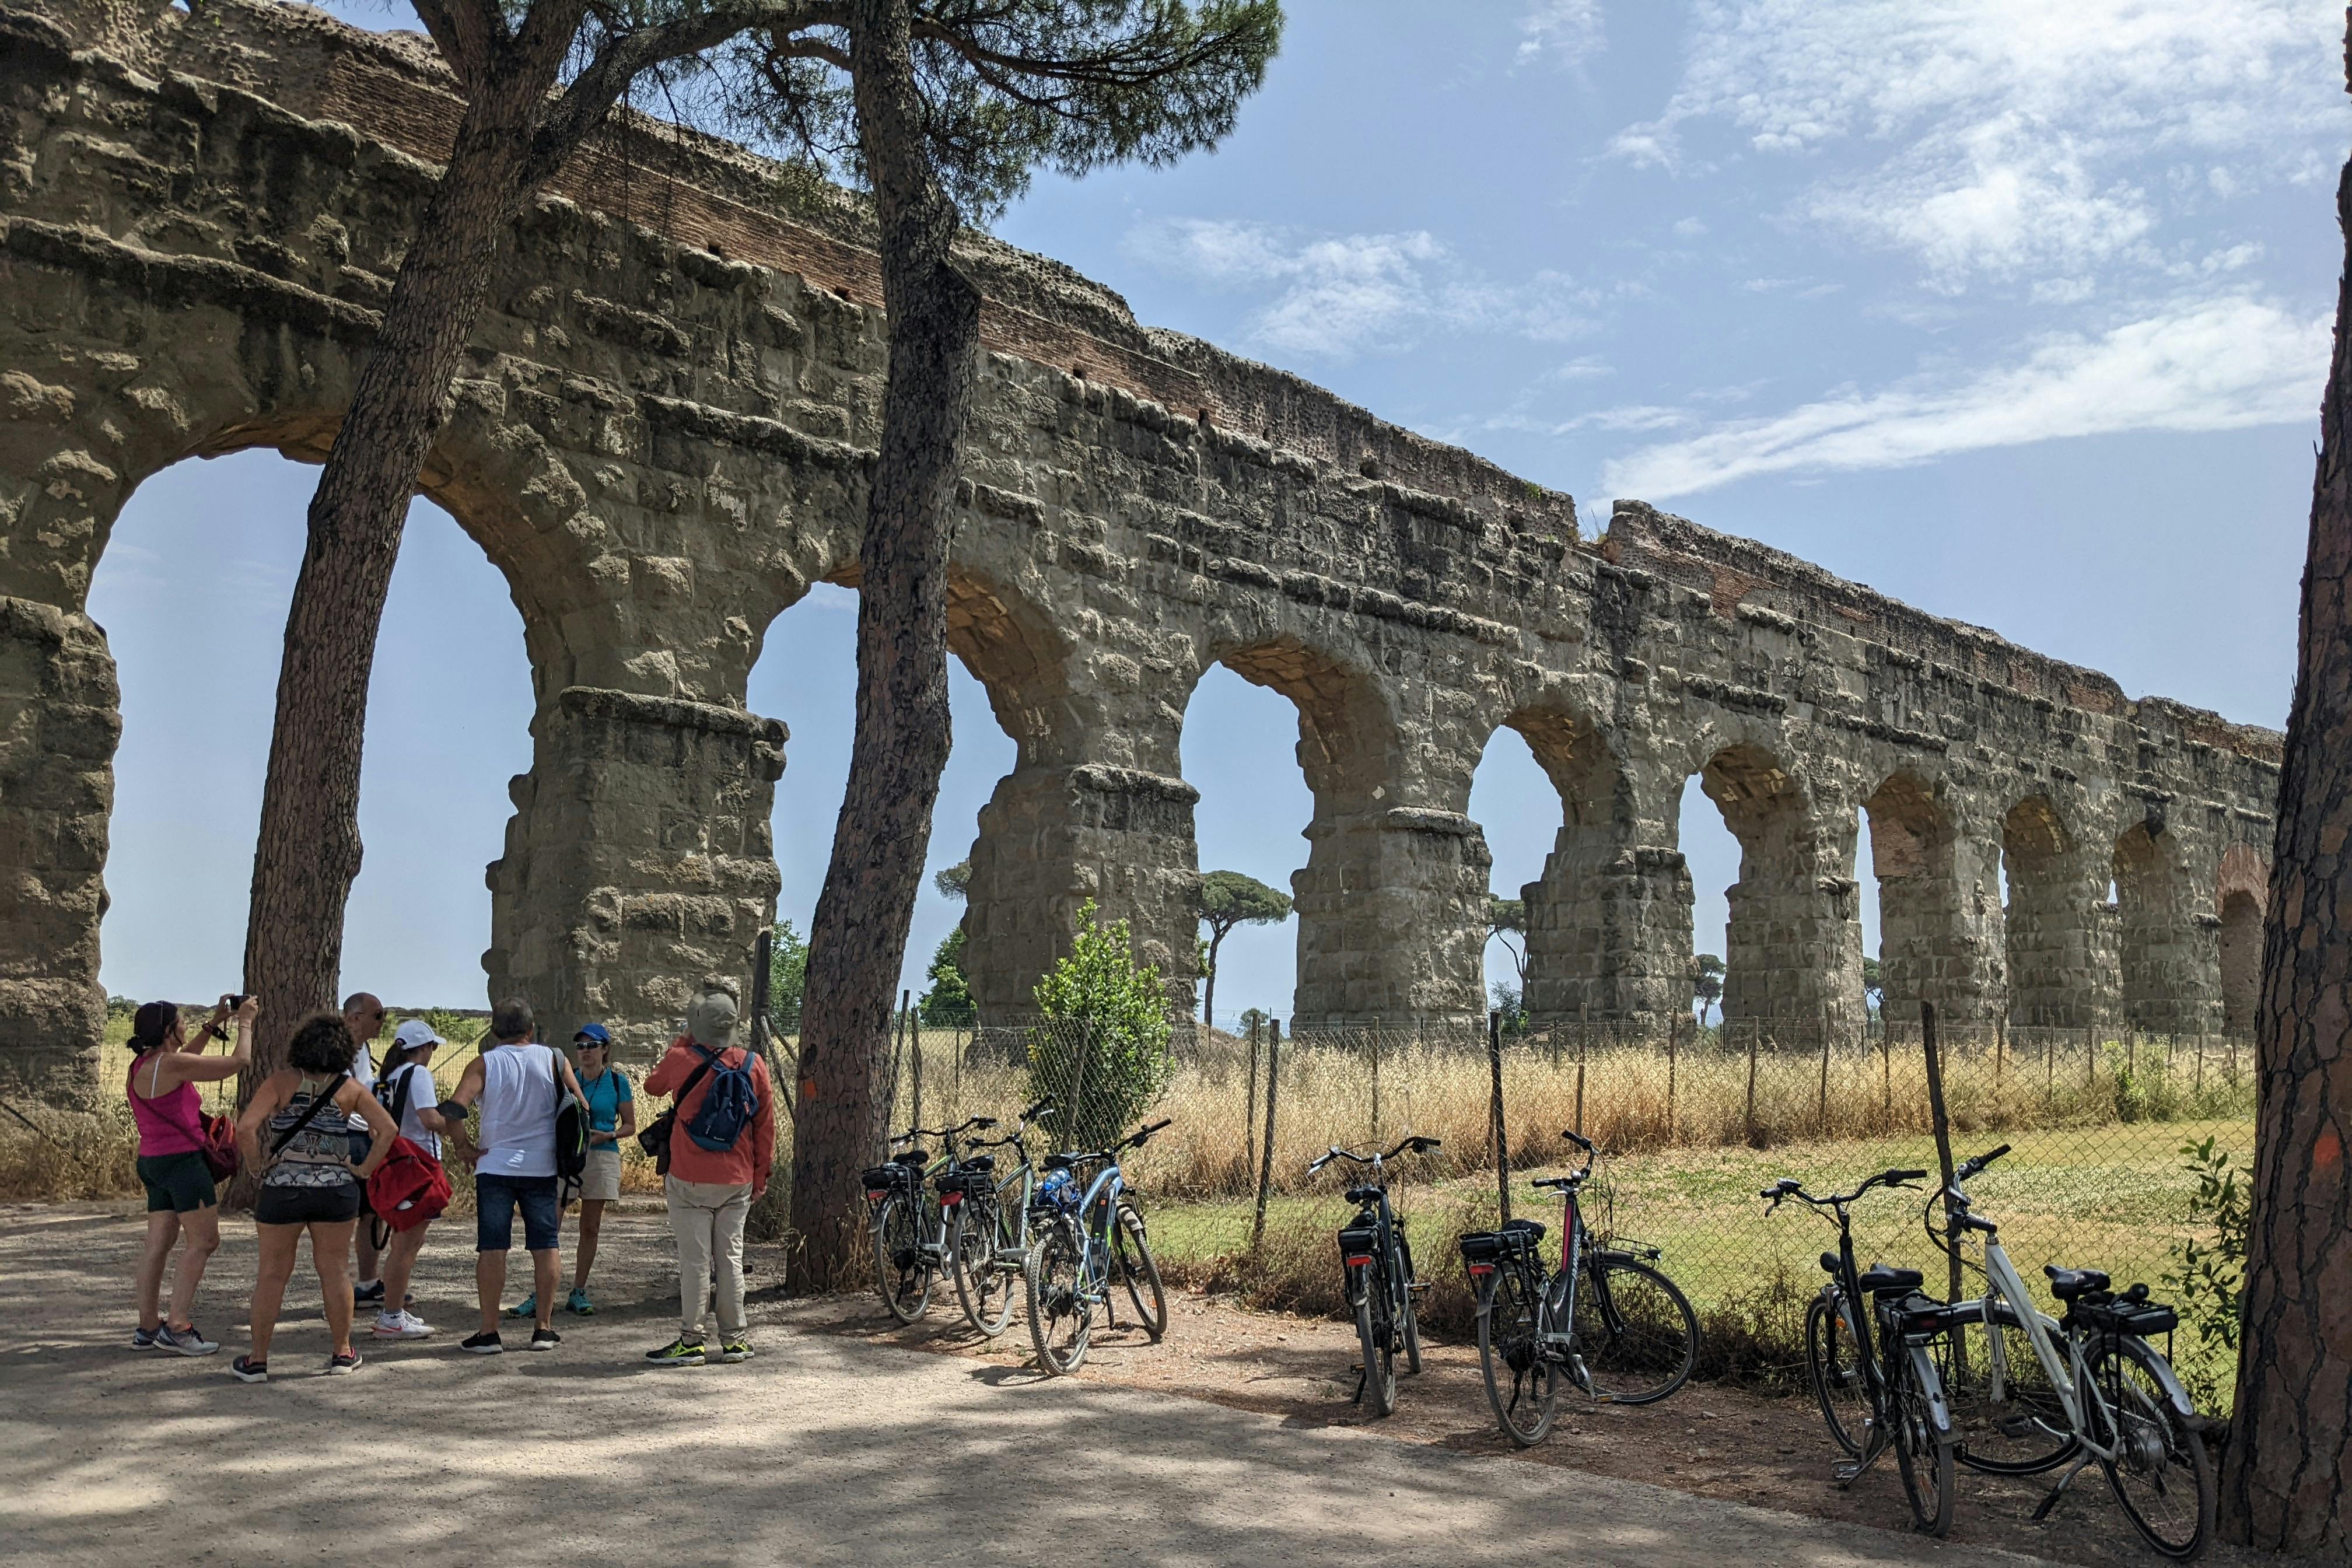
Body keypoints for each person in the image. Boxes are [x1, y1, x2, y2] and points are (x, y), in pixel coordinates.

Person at [232, 1010, 398, 1382]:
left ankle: (257, 1359)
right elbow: (387, 1129)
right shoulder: (350, 1089)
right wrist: (365, 1169)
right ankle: (342, 1351)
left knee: (272, 1275)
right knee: (335, 1271)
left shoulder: (279, 1082)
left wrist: (258, 1166)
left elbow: (246, 1127)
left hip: (284, 1188)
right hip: (336, 1189)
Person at [444, 996, 583, 1354]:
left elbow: (455, 1108)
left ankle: (489, 1332)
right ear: (532, 1030)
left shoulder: (485, 1063)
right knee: (546, 1245)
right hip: (542, 1167)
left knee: (492, 1248)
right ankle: (544, 1329)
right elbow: (581, 1106)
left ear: (494, 1032)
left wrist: (465, 1147)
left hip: (495, 1167)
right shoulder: (555, 1059)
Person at [642, 986, 772, 1368]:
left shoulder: (681, 1057)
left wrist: (685, 1039)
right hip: (737, 1176)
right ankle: (734, 1341)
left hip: (690, 1175)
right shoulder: (753, 1063)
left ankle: (691, 1340)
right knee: (730, 1258)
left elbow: (652, 1087)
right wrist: (760, 1174)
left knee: (695, 1262)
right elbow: (765, 1126)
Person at [126, 994, 253, 1354]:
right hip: (183, 1164)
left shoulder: (144, 1064)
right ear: (170, 1031)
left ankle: (148, 1327)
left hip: (153, 1162)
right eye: (182, 1021)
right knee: (204, 1242)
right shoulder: (170, 1065)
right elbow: (238, 1061)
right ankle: (178, 1327)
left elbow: (187, 1060)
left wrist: (214, 1024)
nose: (186, 1025)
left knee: (158, 1247)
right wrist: (244, 1023)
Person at [369, 1018, 457, 1340]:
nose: (433, 1052)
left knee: (404, 1243)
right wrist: (457, 1125)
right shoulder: (417, 1073)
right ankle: (391, 1316)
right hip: (418, 1166)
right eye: (433, 1047)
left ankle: (394, 1310)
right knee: (407, 1246)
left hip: (398, 1165)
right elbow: (430, 1118)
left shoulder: (388, 1077)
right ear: (424, 1048)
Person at [564, 1023, 632, 1315]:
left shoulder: (618, 1082)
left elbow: (630, 1126)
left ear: (605, 1049)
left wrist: (610, 1135)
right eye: (580, 1047)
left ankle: (578, 1291)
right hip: (568, 1157)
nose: (585, 1052)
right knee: (548, 1225)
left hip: (602, 1156)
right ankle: (539, 1291)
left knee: (589, 1227)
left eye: (592, 1046)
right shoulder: (568, 1081)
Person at [340, 991, 392, 1309]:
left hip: (365, 1135)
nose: (382, 1022)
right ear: (355, 1018)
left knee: (373, 1212)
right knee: (344, 1215)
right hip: (348, 1137)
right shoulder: (337, 1051)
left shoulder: (363, 1049)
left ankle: (368, 1283)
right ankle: (340, 1289)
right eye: (378, 1015)